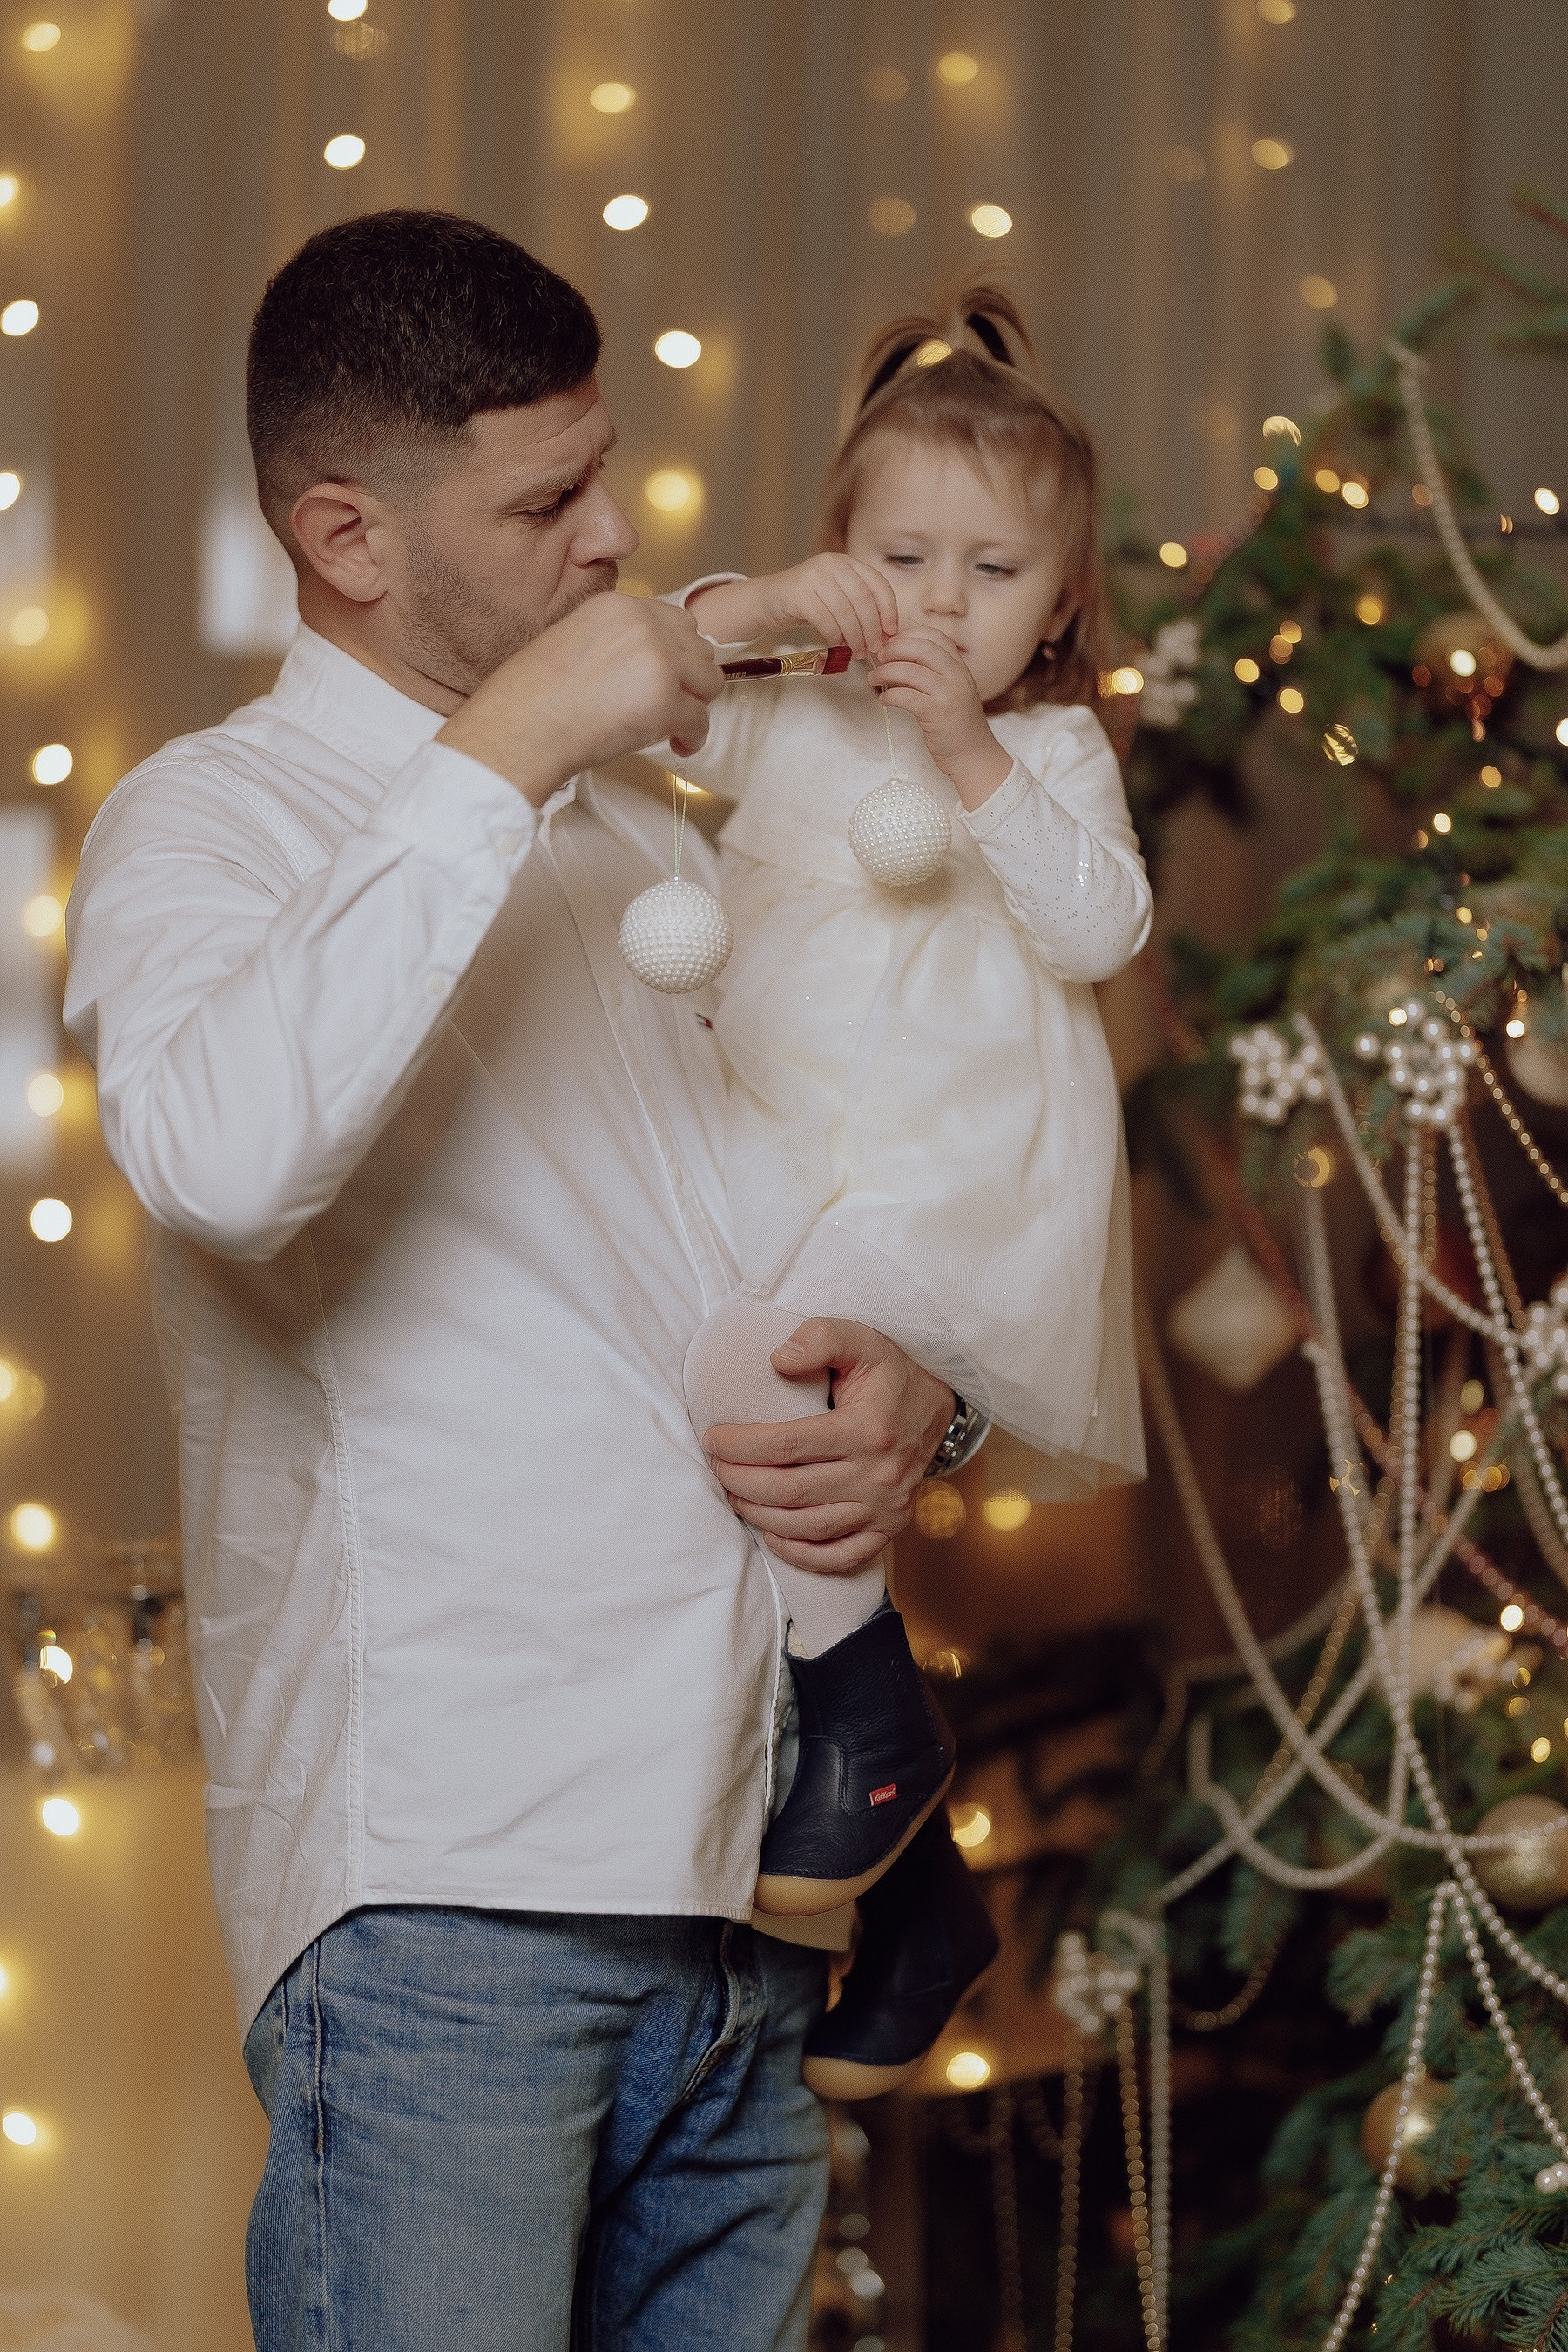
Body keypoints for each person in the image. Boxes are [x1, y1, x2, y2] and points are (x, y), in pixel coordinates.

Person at [63, 211, 981, 2352]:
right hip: (449, 1907)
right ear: (347, 539)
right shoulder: (207, 825)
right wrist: (506, 749)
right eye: (545, 503)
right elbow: (219, 1158)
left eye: (606, 476)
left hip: (751, 1894)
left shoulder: (654, 835)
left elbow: (813, 1212)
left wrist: (922, 1385)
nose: (616, 540)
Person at [659, 285, 1151, 2084]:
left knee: (776, 1387)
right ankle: (919, 1878)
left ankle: (874, 1749)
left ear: (1061, 606)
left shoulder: (1054, 752)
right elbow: (638, 686)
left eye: (994, 572)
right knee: (726, 1416)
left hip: (949, 1182)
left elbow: (1101, 927)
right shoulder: (791, 713)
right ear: (841, 565)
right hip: (779, 1151)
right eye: (900, 560)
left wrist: (971, 757)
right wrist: (758, 611)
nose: (942, 607)